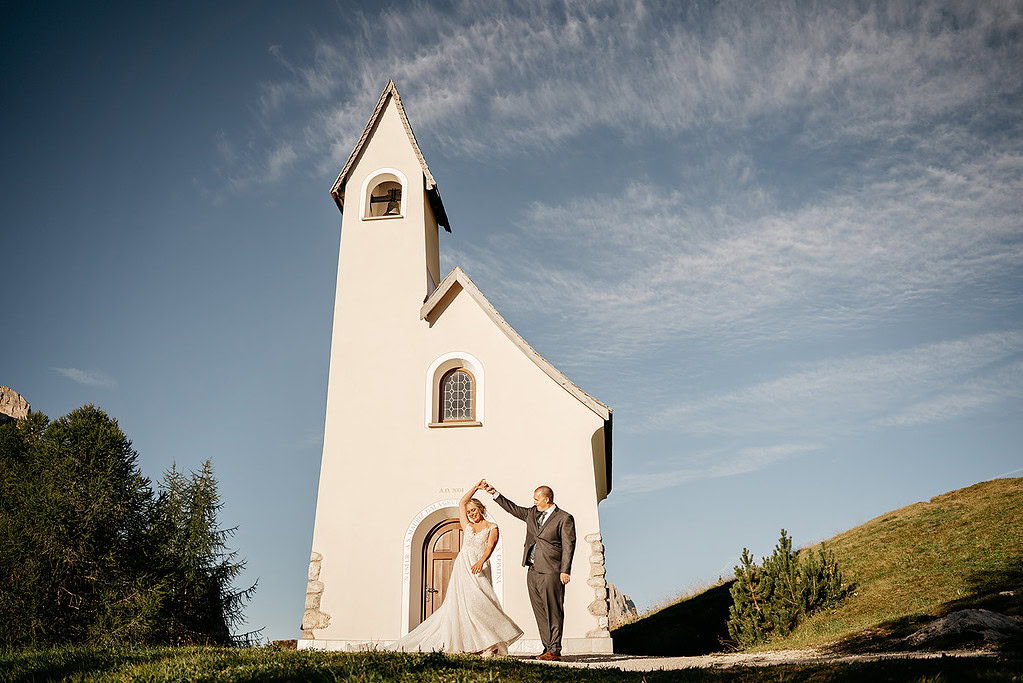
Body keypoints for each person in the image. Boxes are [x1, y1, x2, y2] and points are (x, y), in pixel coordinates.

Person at [390, 479, 523, 656]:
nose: (471, 514)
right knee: (465, 605)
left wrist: (481, 561)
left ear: (481, 509)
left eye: (474, 510)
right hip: (462, 567)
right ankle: (477, 645)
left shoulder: (492, 526)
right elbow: (462, 502)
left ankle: (491, 642)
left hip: (479, 566)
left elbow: (490, 546)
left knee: (481, 603)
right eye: (469, 512)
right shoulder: (467, 526)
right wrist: (476, 488)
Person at [482, 480, 575, 661]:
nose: (534, 502)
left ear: (547, 499)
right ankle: (547, 648)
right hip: (532, 569)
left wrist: (565, 570)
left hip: (552, 570)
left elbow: (568, 545)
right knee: (539, 610)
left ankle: (555, 649)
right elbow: (514, 509)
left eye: (536, 499)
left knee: (553, 610)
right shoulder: (532, 513)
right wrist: (495, 493)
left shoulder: (564, 518)